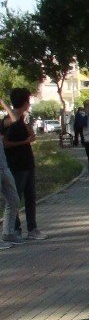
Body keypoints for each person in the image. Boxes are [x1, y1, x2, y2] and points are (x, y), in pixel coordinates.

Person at [1, 88, 46, 241]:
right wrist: (24, 141)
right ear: (24, 101)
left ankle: (32, 229)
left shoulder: (24, 119)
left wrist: (30, 131)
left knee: (30, 197)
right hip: (16, 164)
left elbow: (30, 134)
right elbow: (6, 143)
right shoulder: (8, 121)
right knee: (15, 198)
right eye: (28, 100)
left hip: (28, 162)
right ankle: (15, 229)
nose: (29, 103)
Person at [0, 95, 23, 247]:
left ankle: (8, 233)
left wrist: (2, 102)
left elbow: (14, 118)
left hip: (3, 167)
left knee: (14, 199)